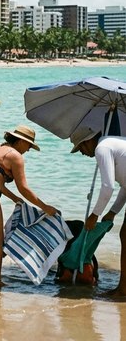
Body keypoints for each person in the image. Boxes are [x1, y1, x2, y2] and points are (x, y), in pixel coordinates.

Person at [0, 125, 58, 289]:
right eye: (29, 145)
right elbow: (24, 188)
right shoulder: (15, 156)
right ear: (21, 141)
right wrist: (45, 207)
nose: (28, 150)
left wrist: (14, 198)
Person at [70, 126, 126, 297]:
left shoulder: (102, 148)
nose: (81, 153)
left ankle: (123, 289)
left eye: (80, 148)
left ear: (88, 141)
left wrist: (94, 215)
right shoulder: (113, 143)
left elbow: (107, 187)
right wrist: (113, 212)